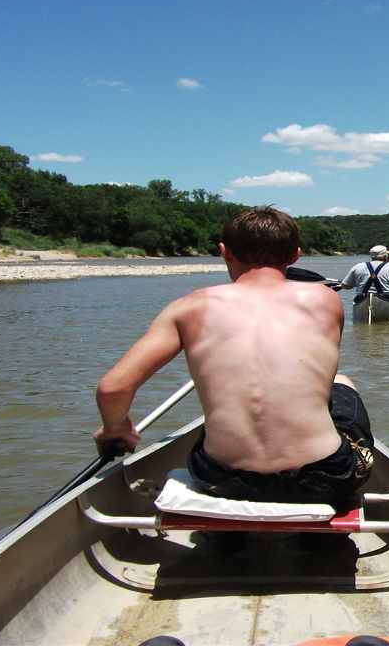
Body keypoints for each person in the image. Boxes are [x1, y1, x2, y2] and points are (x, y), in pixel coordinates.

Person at [92, 207, 373, 512]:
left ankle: (229, 539)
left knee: (218, 423)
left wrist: (114, 431)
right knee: (341, 384)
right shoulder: (325, 300)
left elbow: (113, 389)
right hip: (324, 478)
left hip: (222, 479)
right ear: (295, 256)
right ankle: (319, 539)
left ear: (224, 253)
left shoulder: (187, 307)